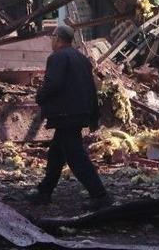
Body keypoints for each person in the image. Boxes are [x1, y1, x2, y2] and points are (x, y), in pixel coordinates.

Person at [26, 25, 111, 208]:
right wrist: (93, 114)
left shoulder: (57, 57)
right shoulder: (81, 58)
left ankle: (99, 195)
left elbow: (53, 84)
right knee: (56, 153)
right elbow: (91, 88)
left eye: (52, 37)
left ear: (57, 38)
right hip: (78, 112)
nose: (51, 40)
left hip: (65, 113)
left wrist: (40, 96)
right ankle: (44, 193)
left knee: (75, 155)